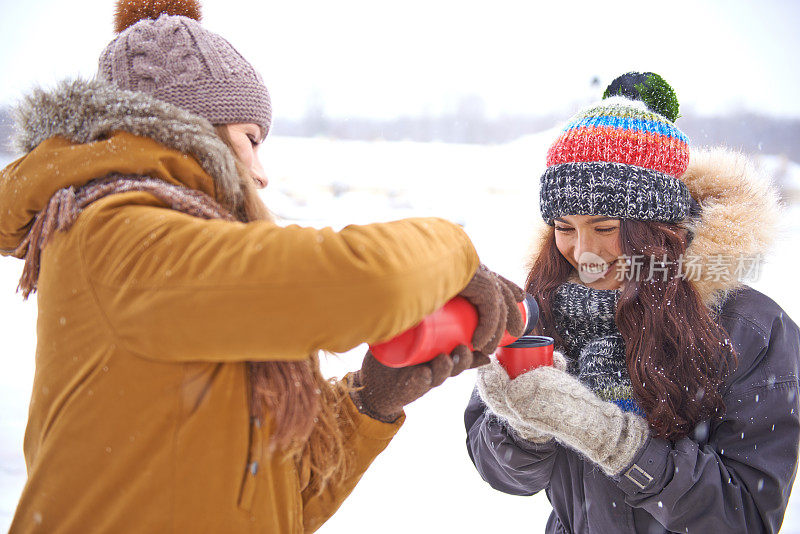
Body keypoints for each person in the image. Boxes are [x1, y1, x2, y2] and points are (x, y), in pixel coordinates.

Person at [0, 1, 524, 532]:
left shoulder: (177, 265)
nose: (261, 172)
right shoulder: (120, 238)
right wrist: (455, 249)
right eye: (250, 139)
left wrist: (370, 400)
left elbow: (269, 505)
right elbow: (364, 280)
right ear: (192, 129)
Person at [465, 72, 800, 533]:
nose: (582, 252)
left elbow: (742, 516)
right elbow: (498, 469)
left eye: (605, 228)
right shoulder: (541, 310)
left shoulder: (749, 328)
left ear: (660, 230)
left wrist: (616, 442)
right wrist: (524, 427)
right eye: (564, 227)